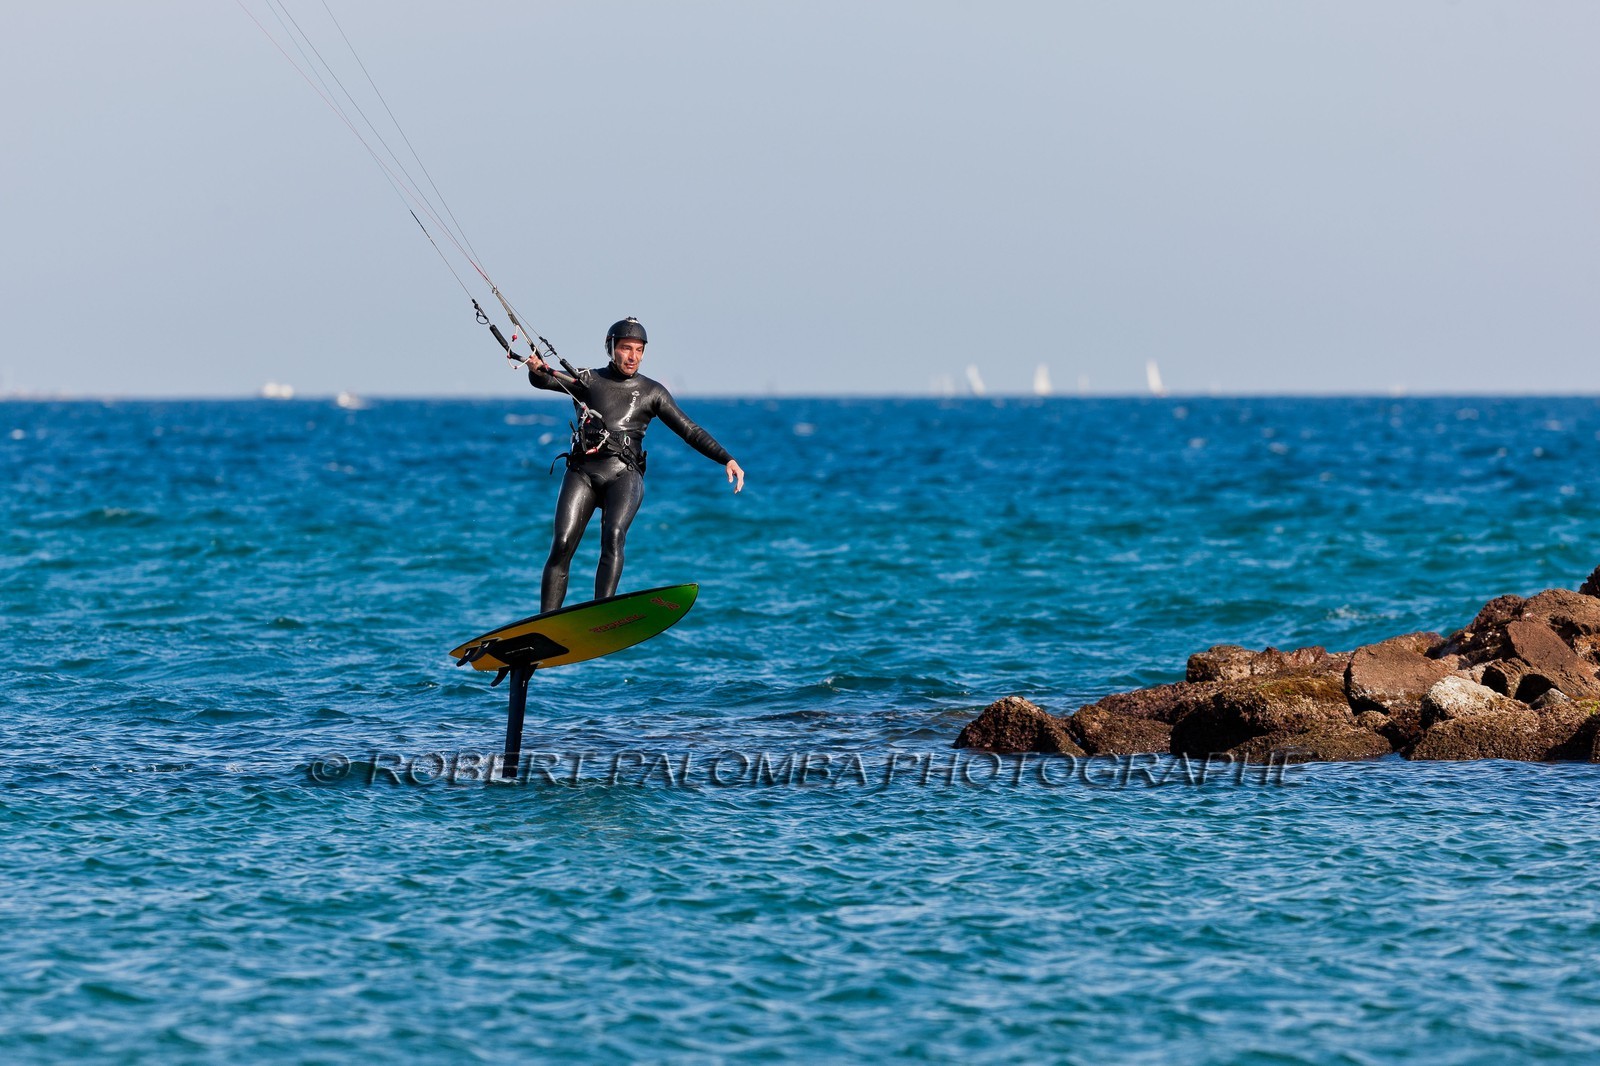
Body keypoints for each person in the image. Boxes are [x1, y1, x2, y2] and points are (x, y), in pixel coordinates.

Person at [526, 317, 744, 612]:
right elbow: (546, 379)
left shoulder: (652, 392)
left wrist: (726, 458)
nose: (633, 356)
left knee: (613, 536)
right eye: (626, 348)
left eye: (639, 350)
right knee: (562, 544)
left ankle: (600, 612)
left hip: (624, 474)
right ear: (611, 347)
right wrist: (535, 370)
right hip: (583, 472)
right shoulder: (587, 380)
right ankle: (546, 620)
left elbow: (690, 431)